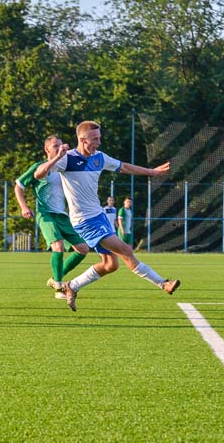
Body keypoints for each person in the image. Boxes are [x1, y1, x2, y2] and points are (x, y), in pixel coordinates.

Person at [34, 121, 180, 312]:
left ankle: (72, 286)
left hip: (99, 217)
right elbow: (38, 174)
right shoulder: (67, 159)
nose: (99, 142)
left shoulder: (99, 158)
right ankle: (163, 284)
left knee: (111, 265)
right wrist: (56, 158)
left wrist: (151, 172)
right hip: (85, 221)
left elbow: (124, 167)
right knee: (126, 250)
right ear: (82, 139)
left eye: (99, 138)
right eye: (95, 139)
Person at [14, 135, 90, 299]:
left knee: (83, 249)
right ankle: (59, 288)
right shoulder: (40, 166)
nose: (59, 148)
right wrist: (24, 207)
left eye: (61, 145)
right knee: (58, 245)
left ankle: (55, 278)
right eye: (55, 146)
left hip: (63, 215)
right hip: (45, 214)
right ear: (47, 149)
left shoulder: (65, 168)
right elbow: (18, 186)